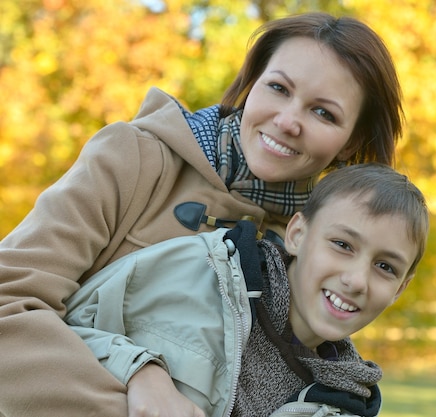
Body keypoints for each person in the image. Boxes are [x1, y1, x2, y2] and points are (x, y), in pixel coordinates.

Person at [0, 12, 404, 417]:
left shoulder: (319, 246)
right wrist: (134, 388)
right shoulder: (134, 158)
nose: (287, 121)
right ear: (251, 86)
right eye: (278, 88)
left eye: (323, 113)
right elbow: (10, 302)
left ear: (352, 142)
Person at [62, 163, 429, 417]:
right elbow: (63, 331)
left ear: (400, 288)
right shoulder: (199, 268)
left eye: (385, 267)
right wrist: (139, 371)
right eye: (342, 245)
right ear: (298, 234)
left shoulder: (344, 402)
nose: (356, 280)